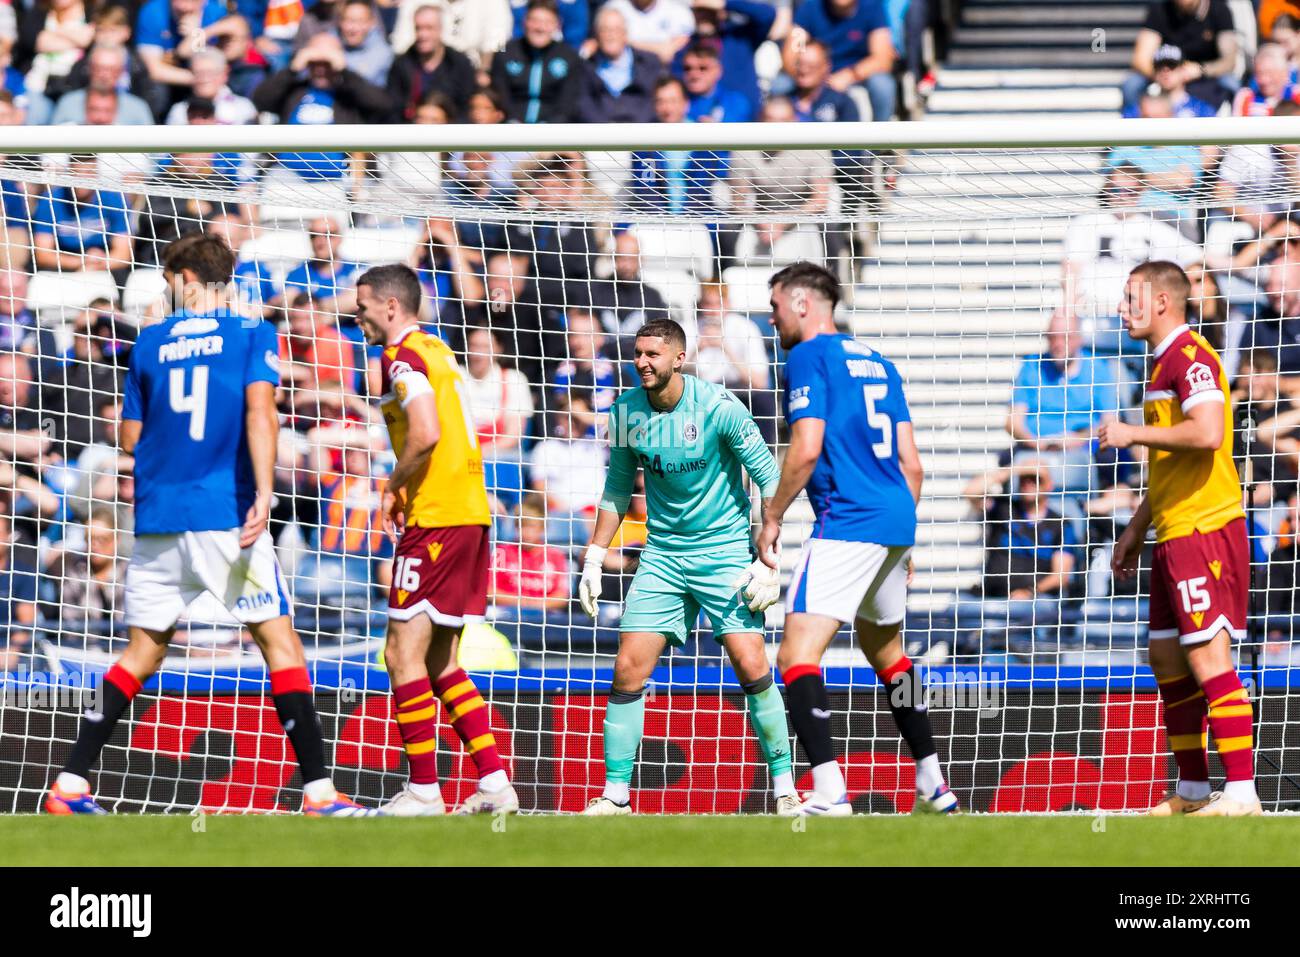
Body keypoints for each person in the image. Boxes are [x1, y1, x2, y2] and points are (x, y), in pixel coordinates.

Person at [44, 233, 373, 817]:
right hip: (225, 515)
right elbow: (258, 410)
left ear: (188, 277)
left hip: (157, 520)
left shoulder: (147, 343)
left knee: (142, 653)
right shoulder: (252, 334)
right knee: (280, 642)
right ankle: (320, 793)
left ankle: (69, 785)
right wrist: (267, 491)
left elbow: (128, 438)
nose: (167, 289)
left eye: (170, 278)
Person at [756, 261, 958, 816]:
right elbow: (912, 466)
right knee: (886, 651)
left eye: (774, 307)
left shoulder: (807, 357)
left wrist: (771, 516)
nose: (771, 319)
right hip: (895, 521)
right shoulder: (879, 362)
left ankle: (828, 792)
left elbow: (806, 448)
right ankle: (934, 784)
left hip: (848, 520)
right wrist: (904, 539)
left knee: (796, 654)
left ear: (801, 304)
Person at [577, 317, 796, 815]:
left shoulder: (720, 407)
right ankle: (616, 795)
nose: (642, 363)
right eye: (637, 354)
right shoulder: (627, 410)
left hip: (723, 552)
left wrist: (768, 557)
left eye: (653, 354)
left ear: (679, 358)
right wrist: (594, 556)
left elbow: (768, 477)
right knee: (628, 668)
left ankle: (785, 789)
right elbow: (616, 488)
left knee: (752, 665)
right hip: (662, 555)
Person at [353, 263, 519, 816]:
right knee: (441, 661)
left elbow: (425, 432)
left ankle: (424, 790)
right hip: (470, 514)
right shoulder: (439, 350)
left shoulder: (402, 357)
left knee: (401, 655)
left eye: (363, 307)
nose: (358, 317)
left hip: (439, 519)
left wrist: (391, 486)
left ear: (391, 307)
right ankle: (495, 782)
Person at [1098, 260, 1260, 816]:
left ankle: (1241, 792)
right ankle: (1192, 791)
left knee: (1209, 659)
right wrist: (1136, 529)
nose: (1122, 309)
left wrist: (1130, 432)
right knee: (1166, 658)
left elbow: (1210, 431)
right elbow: (1173, 461)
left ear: (1162, 301)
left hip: (1205, 528)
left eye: (1130, 298)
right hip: (1171, 529)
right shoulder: (1162, 364)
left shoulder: (1190, 358)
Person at [1006, 308, 1122, 496]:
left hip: (1085, 444)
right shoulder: (1031, 366)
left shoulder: (1098, 368)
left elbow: (1110, 421)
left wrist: (1077, 439)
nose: (1058, 344)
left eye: (1065, 337)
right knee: (1006, 462)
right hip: (1036, 445)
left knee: (1113, 457)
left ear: (1078, 338)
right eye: (1053, 338)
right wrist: (1036, 443)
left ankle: (1098, 511)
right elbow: (1013, 422)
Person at [786, 0, 895, 122]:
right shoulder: (810, 7)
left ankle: (881, 136)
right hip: (816, 73)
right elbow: (791, 53)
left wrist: (851, 74)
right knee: (780, 84)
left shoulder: (872, 7)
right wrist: (808, 73)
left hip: (857, 75)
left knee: (882, 84)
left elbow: (882, 59)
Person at [1125, 0, 1239, 112]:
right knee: (1132, 84)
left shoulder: (1220, 10)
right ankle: (1133, 125)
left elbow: (1229, 61)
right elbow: (1140, 60)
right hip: (1166, 69)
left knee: (1231, 83)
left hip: (1204, 74)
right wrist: (1165, 75)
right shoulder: (1160, 10)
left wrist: (1202, 70)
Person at [490, 0, 583, 123]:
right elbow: (501, 95)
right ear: (525, 22)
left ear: (557, 25)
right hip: (511, 129)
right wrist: (513, 121)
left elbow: (568, 103)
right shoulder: (505, 52)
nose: (540, 28)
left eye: (547, 22)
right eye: (535, 21)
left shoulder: (570, 57)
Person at [386, 4, 476, 122]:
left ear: (441, 29)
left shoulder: (460, 64)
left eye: (429, 28)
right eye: (418, 28)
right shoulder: (401, 65)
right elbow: (394, 109)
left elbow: (467, 109)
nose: (423, 35)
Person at [579, 4, 664, 124]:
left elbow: (655, 102)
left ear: (625, 34)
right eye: (605, 30)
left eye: (616, 30)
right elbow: (584, 106)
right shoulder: (585, 68)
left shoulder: (649, 63)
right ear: (597, 35)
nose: (610, 35)